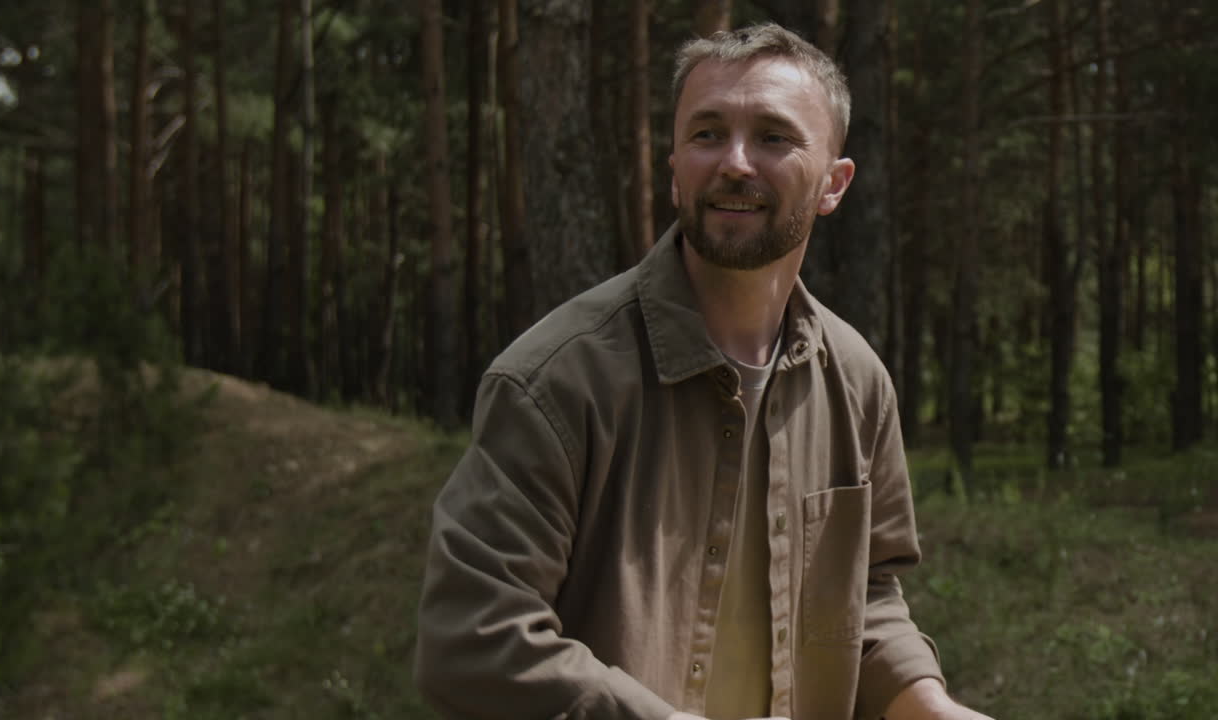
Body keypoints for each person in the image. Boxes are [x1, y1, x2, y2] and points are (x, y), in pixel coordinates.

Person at [414, 22, 993, 720]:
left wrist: (928, 704)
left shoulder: (858, 384)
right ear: (673, 166)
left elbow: (865, 599)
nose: (735, 163)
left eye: (773, 137)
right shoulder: (554, 384)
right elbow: (472, 641)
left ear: (835, 184)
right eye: (707, 134)